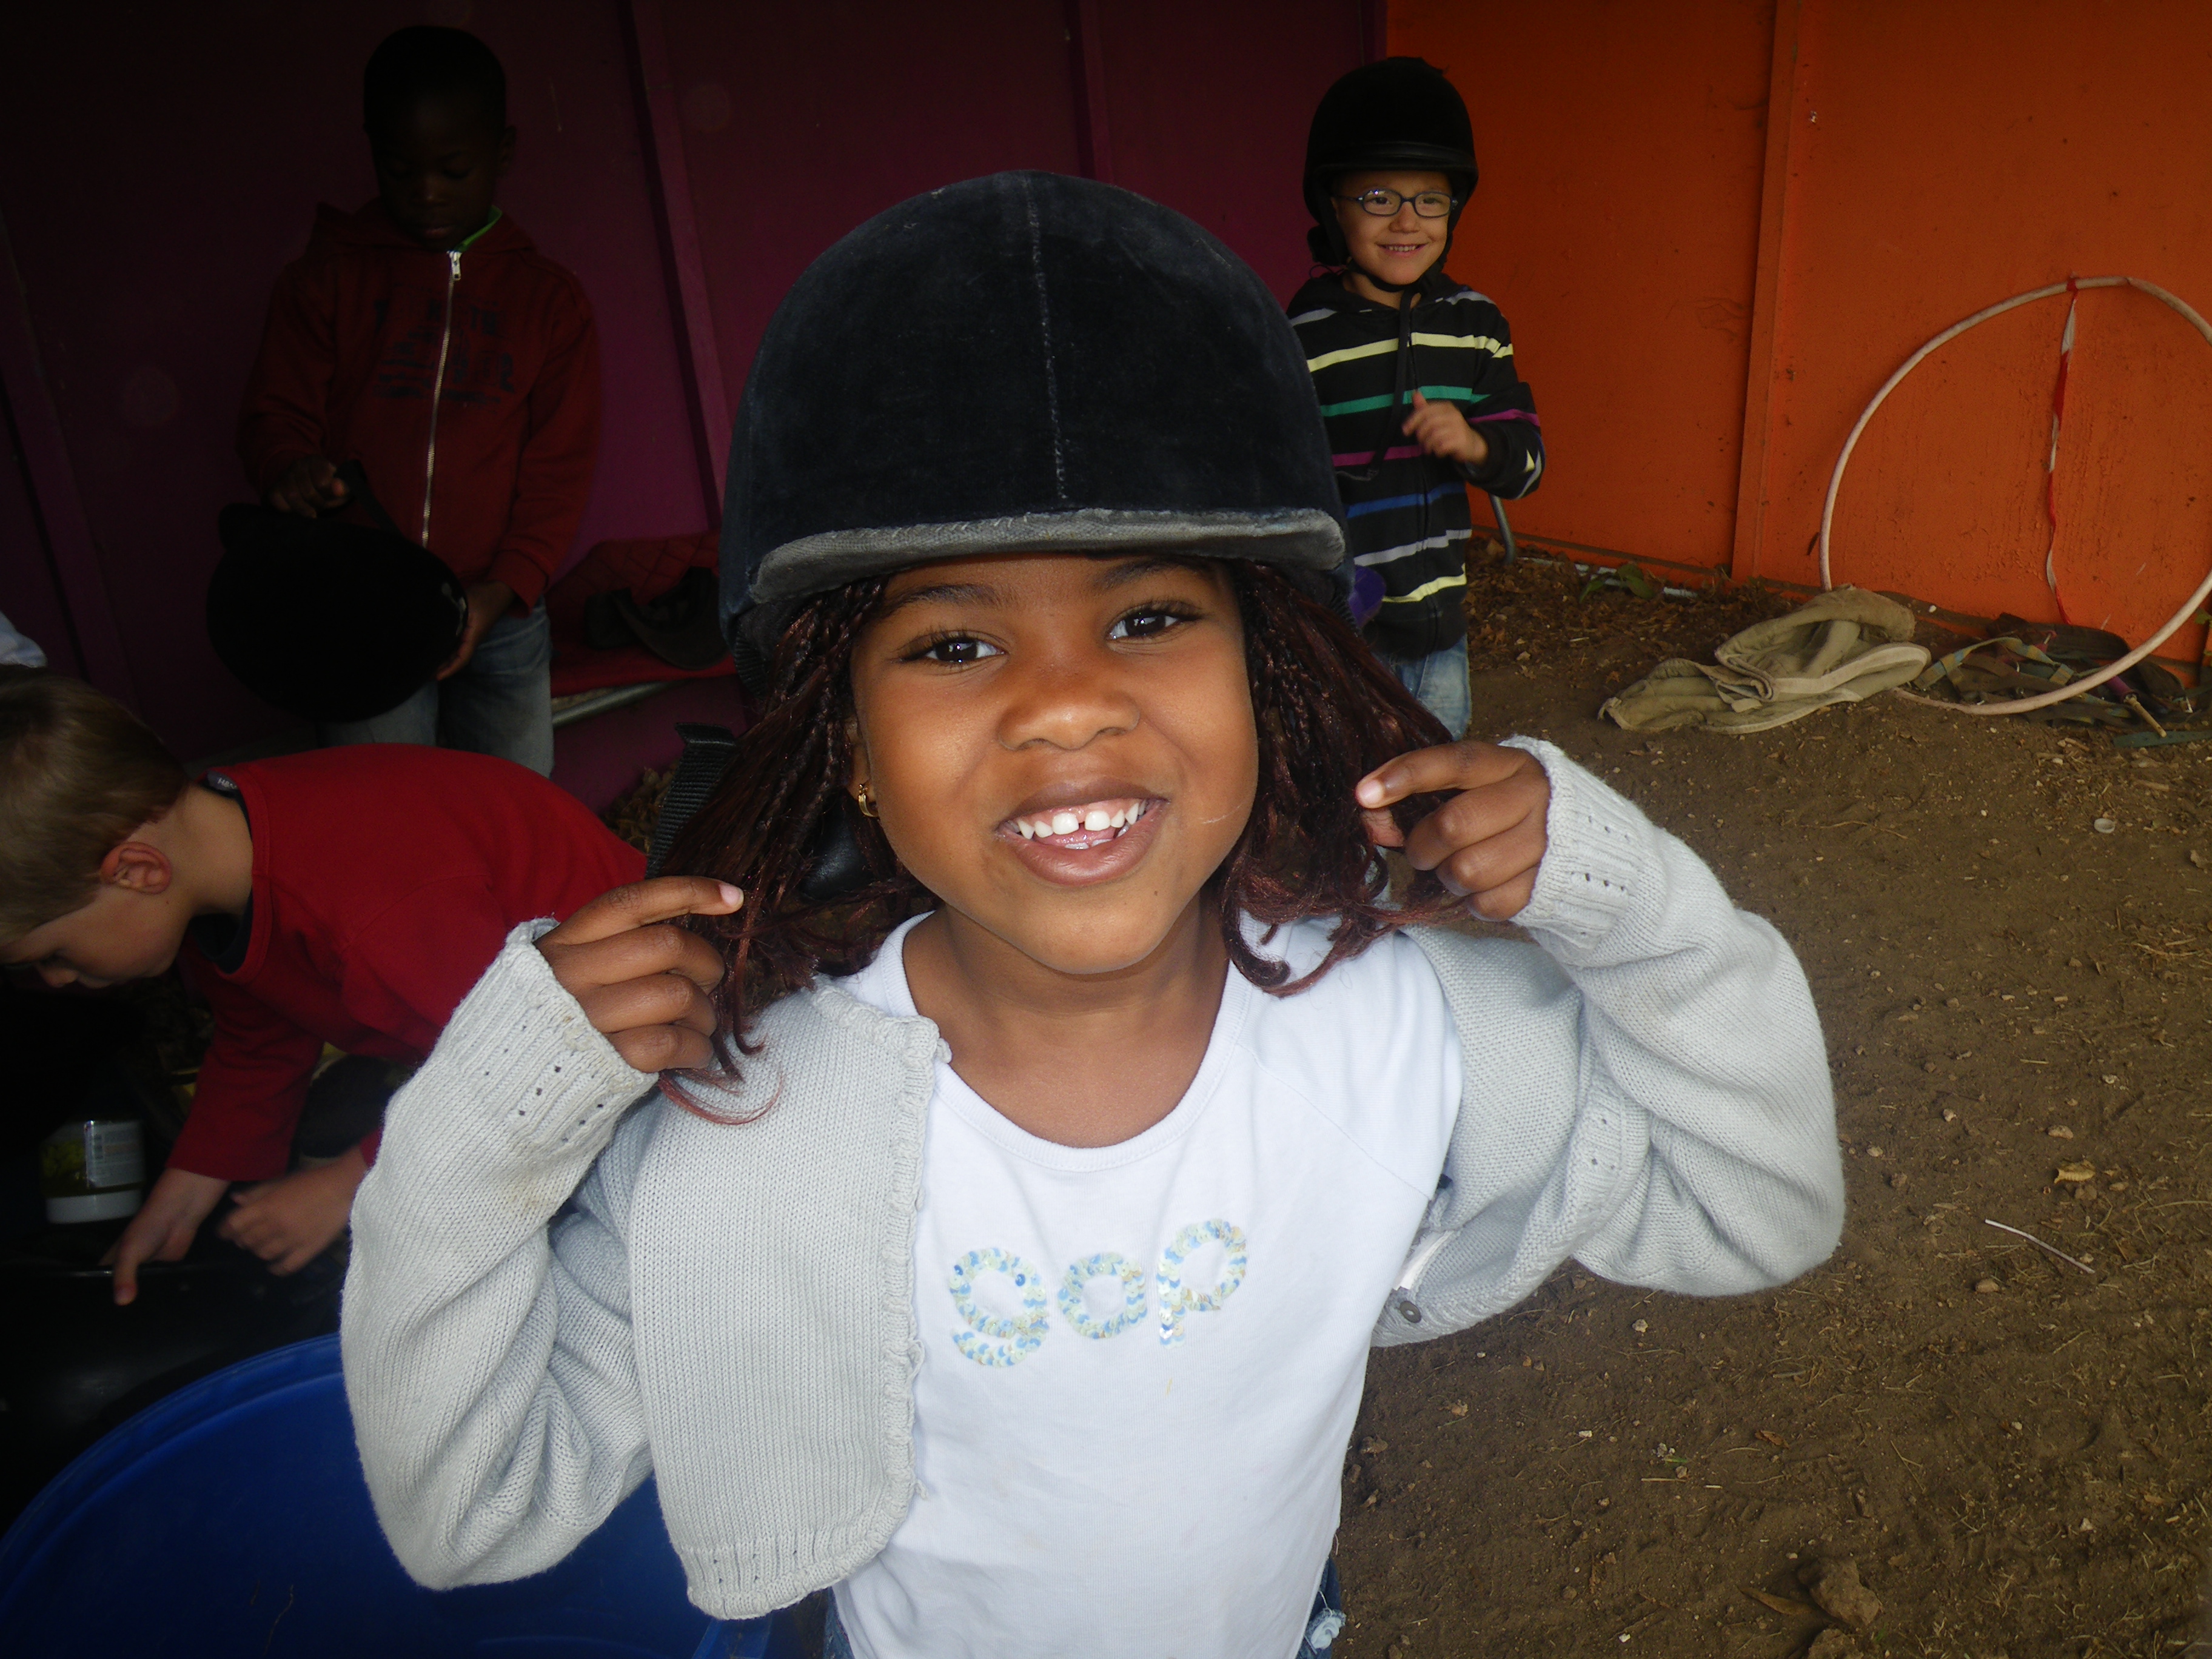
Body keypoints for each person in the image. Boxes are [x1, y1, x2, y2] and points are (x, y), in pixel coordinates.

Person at [341, 174, 1840, 1659]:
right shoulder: (749, 1130)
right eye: (954, 643)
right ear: (848, 743)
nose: (1065, 703)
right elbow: (471, 1507)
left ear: (1263, 677)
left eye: (1149, 617)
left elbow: (1758, 1207)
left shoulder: (1409, 1034)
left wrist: (1623, 901)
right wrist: (493, 1116)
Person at [0, 669, 642, 1304]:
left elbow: (522, 1064)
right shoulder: (220, 854)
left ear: (138, 871)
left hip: (634, 1036)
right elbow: (260, 1042)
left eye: (53, 953)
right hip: (500, 1028)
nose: (55, 979)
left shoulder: (367, 906)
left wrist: (351, 1182)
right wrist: (182, 1197)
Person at [235, 25, 600, 775]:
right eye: (400, 170)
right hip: (363, 606)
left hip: (500, 609)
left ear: (502, 153)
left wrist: (506, 587)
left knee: (515, 803)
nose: (427, 192)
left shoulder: (548, 303)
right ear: (373, 151)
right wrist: (290, 468)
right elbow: (275, 416)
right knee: (392, 803)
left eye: (453, 169)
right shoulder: (328, 279)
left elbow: (559, 469)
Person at [1290, 58, 1544, 739]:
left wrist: (1477, 444)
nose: (1407, 221)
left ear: (1453, 208)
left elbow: (1528, 467)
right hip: (1342, 634)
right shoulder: (1300, 338)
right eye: (1379, 197)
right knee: (1350, 781)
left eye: (1430, 199)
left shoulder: (1477, 326)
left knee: (1436, 774)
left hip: (1439, 634)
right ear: (1334, 205)